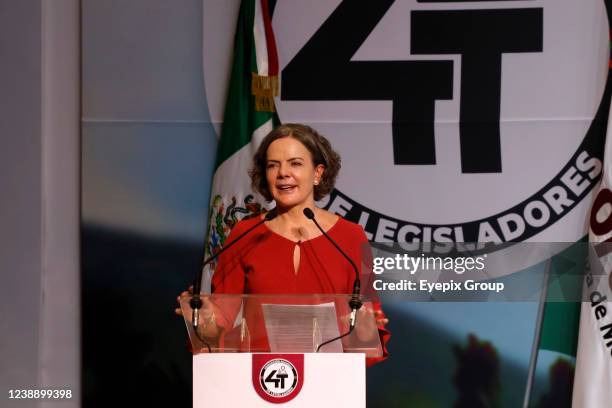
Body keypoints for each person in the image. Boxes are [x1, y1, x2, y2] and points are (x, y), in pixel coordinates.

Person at [178, 123, 389, 364]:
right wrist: (205, 322)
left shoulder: (350, 237)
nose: (283, 173)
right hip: (256, 381)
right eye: (273, 165)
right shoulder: (245, 234)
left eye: (295, 163)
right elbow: (216, 333)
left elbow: (365, 331)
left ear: (318, 173)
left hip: (328, 383)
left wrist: (365, 333)